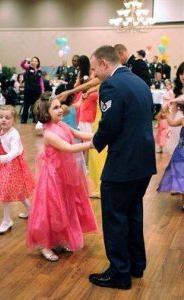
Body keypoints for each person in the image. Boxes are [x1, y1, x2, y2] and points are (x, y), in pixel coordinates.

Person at [89, 45, 156, 289]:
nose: (95, 76)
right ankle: (136, 264)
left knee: (115, 217)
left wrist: (93, 142)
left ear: (105, 64)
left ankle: (119, 272)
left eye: (96, 70)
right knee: (133, 213)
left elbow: (110, 125)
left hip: (124, 163)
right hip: (144, 161)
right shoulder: (139, 81)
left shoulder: (111, 85)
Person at [27, 92, 98, 262]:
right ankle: (45, 245)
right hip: (52, 177)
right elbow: (69, 148)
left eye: (60, 106)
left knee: (65, 207)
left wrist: (100, 136)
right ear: (45, 112)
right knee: (51, 210)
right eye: (55, 108)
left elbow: (80, 135)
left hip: (65, 175)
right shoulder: (49, 134)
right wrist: (94, 144)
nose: (60, 110)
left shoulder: (63, 125)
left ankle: (60, 238)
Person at [0, 105, 34, 234]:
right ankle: (31, 209)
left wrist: (3, 158)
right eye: (1, 117)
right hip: (2, 165)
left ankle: (7, 221)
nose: (4, 120)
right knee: (15, 189)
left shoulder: (14, 134)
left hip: (13, 165)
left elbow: (15, 151)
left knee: (6, 192)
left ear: (14, 120)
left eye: (7, 118)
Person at [158, 102, 184, 211]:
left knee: (181, 175)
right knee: (181, 175)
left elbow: (172, 123)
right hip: (181, 151)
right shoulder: (183, 119)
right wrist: (166, 111)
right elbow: (172, 123)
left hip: (181, 151)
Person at [20, 56, 44, 123]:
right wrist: (25, 59)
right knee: (26, 104)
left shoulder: (39, 71)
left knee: (35, 105)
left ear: (38, 62)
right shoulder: (28, 67)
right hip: (28, 89)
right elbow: (22, 64)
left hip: (37, 90)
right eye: (32, 61)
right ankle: (24, 119)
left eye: (35, 61)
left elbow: (41, 81)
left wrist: (42, 90)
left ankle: (35, 119)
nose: (34, 62)